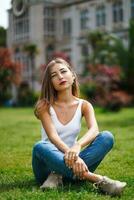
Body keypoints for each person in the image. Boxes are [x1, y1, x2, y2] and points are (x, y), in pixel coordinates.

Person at [32, 58, 126, 196]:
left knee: (107, 137)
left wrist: (77, 146)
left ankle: (59, 176)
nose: (60, 77)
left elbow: (94, 130)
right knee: (40, 146)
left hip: (73, 161)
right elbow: (53, 137)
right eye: (54, 75)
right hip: (47, 168)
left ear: (73, 75)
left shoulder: (84, 105)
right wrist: (75, 158)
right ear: (50, 82)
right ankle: (98, 180)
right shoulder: (44, 106)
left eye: (63, 71)